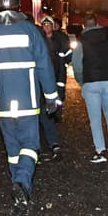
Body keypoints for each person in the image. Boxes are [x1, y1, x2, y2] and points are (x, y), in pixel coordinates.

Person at [0, 0, 60, 213]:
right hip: (28, 102)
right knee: (30, 146)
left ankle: (17, 188)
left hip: (1, 105)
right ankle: (22, 183)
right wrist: (51, 97)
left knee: (12, 148)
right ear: (18, 7)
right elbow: (44, 66)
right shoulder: (30, 30)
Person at [71, 11, 108, 163]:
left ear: (84, 25)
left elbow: (76, 65)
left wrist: (81, 81)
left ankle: (100, 151)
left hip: (90, 82)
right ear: (97, 23)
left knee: (95, 119)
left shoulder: (82, 41)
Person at [37, 14, 72, 162]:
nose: (46, 27)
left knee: (48, 115)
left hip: (51, 84)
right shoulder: (38, 42)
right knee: (35, 117)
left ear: (53, 26)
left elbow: (62, 67)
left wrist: (60, 88)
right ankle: (35, 147)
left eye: (48, 24)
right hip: (37, 84)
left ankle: (53, 144)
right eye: (43, 24)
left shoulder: (58, 42)